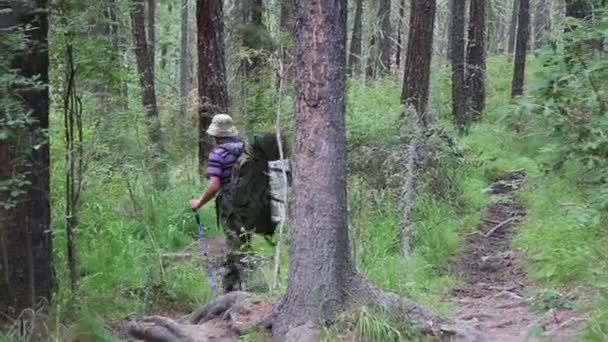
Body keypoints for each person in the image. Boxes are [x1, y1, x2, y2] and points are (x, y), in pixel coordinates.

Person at [190, 113, 247, 292]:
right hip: (251, 202)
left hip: (230, 204)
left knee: (233, 241)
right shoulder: (246, 149)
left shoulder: (218, 154)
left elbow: (215, 186)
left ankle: (231, 290)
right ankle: (248, 283)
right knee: (245, 240)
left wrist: (199, 202)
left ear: (216, 135)